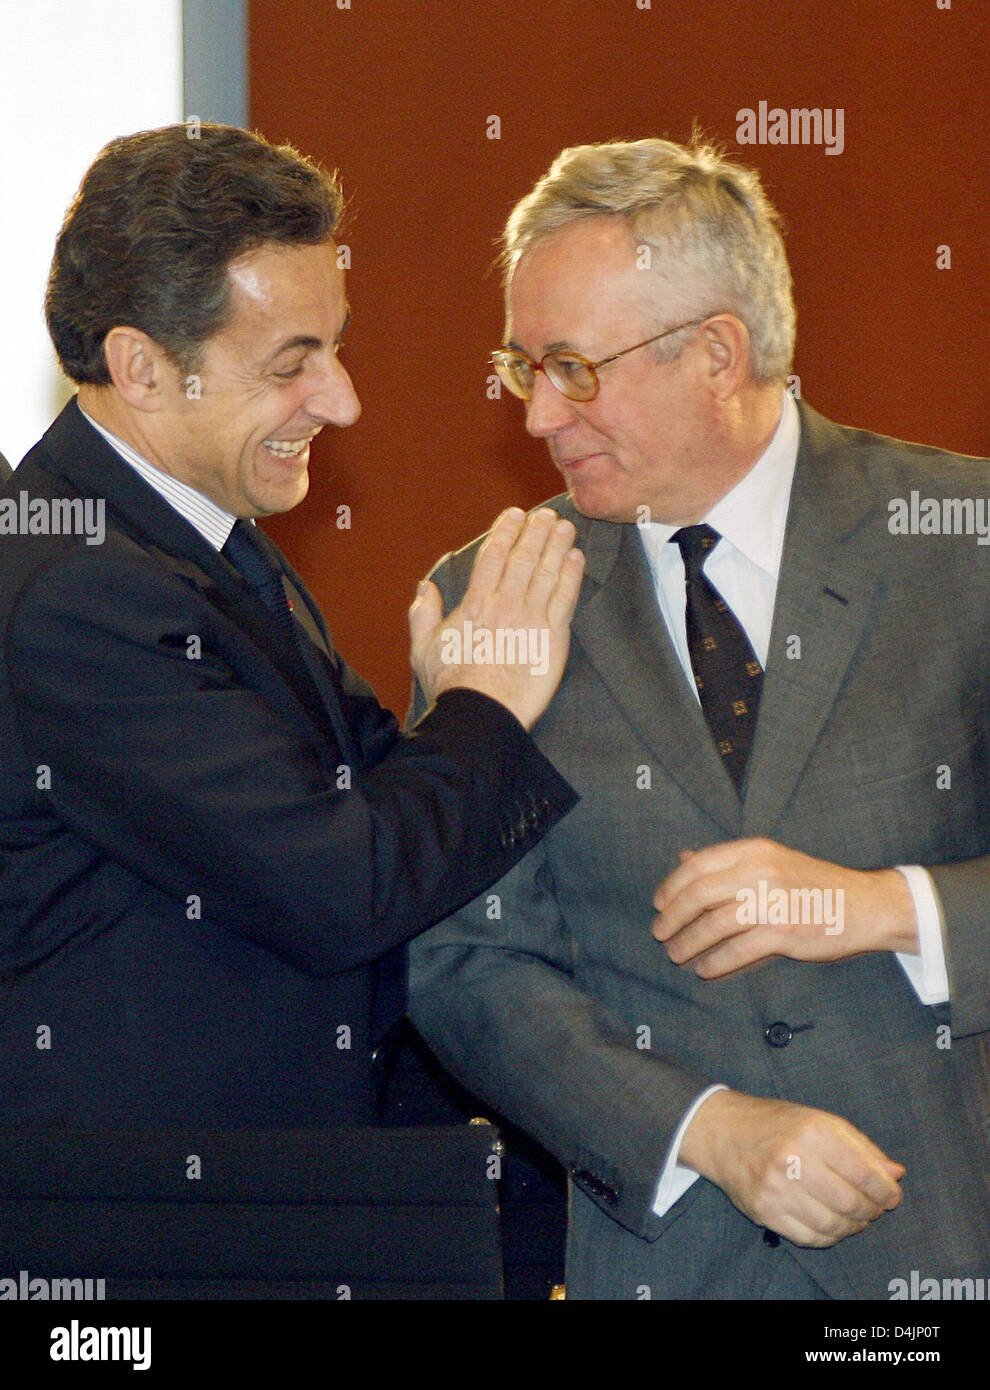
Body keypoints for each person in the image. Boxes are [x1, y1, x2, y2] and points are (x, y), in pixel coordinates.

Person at [409, 137, 990, 1299]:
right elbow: (466, 964)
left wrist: (886, 908)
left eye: (571, 367)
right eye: (521, 365)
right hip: (669, 1269)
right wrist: (711, 1131)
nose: (534, 416)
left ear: (717, 353)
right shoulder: (497, 596)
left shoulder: (961, 541)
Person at [0, 123, 585, 1129]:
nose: (343, 401)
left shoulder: (207, 540)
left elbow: (382, 808)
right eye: (291, 363)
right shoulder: (79, 594)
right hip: (171, 1242)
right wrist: (485, 698)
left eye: (338, 347)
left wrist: (453, 706)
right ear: (140, 368)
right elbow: (343, 888)